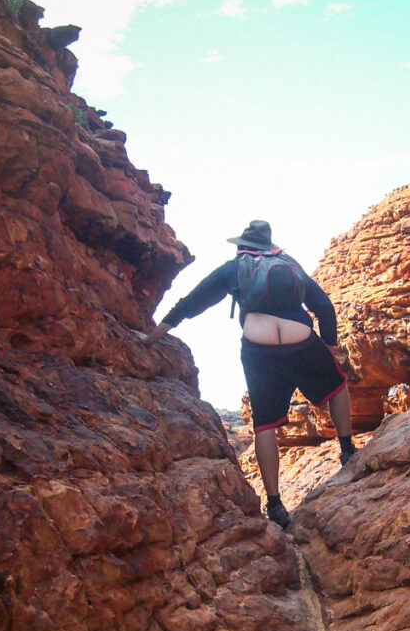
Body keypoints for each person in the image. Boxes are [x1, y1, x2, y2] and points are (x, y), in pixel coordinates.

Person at [138, 220, 356, 529]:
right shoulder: (288, 263)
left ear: (242, 246)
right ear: (269, 247)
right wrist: (329, 347)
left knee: (264, 424)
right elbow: (324, 306)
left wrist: (153, 336)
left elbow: (193, 301)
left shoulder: (235, 267)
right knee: (336, 385)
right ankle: (347, 450)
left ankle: (276, 504)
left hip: (259, 348)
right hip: (301, 339)